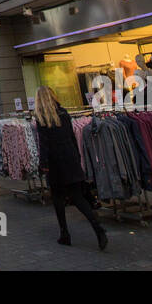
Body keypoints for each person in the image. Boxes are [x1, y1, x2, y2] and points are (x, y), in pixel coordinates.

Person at [33, 86, 107, 250]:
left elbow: (44, 145)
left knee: (58, 199)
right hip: (70, 159)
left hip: (55, 164)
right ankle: (97, 227)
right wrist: (77, 157)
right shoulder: (64, 113)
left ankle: (64, 233)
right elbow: (72, 137)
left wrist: (43, 165)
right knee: (78, 197)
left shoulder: (42, 118)